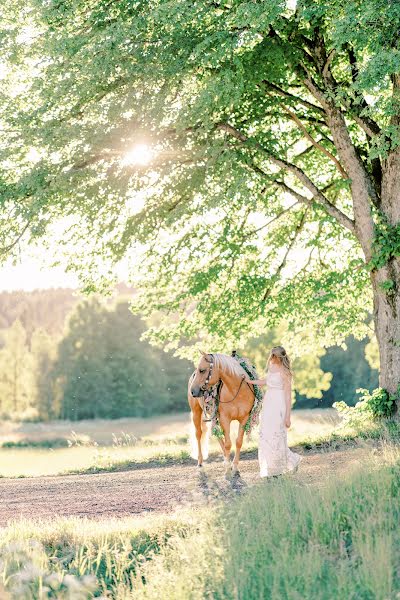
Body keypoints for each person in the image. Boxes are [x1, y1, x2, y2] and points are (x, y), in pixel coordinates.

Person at [245, 346, 302, 478]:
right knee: (267, 434)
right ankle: (271, 468)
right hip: (268, 403)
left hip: (279, 403)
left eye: (274, 356)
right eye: (271, 355)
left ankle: (284, 464)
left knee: (277, 435)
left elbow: (288, 395)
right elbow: (265, 381)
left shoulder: (285, 372)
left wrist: (288, 416)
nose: (271, 358)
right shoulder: (271, 367)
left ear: (279, 357)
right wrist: (249, 381)